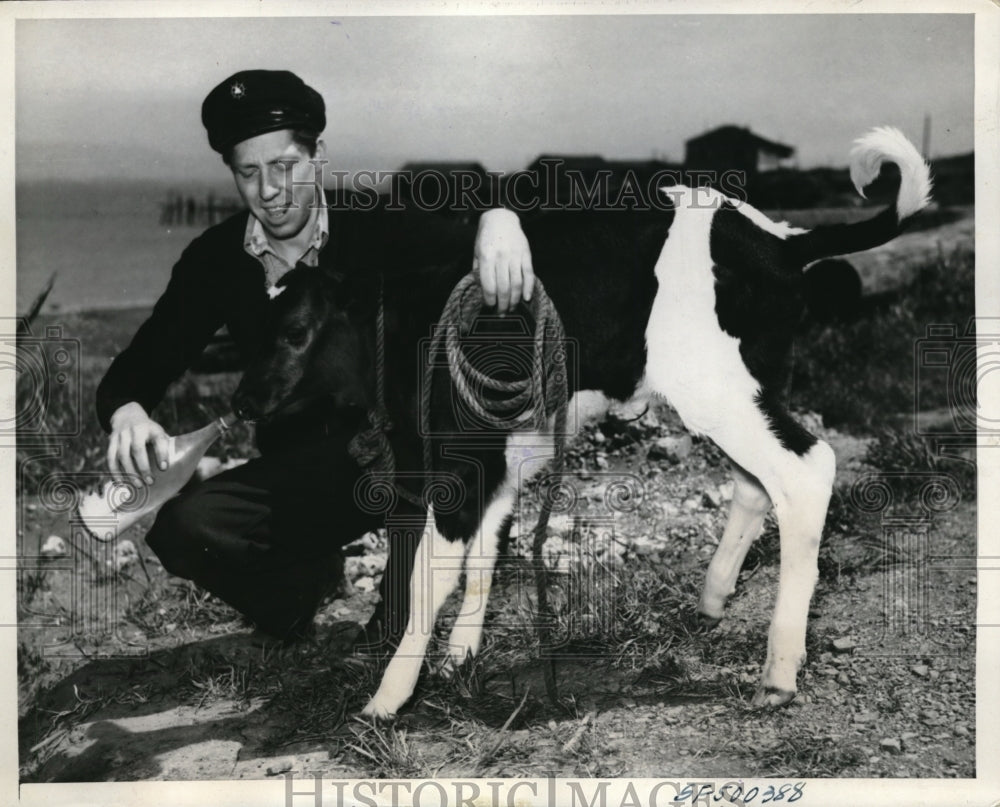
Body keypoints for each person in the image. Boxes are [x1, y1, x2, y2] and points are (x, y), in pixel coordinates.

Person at [96, 69, 534, 641]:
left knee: (395, 642)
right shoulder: (214, 261)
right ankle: (298, 594)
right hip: (303, 470)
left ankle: (406, 599)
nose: (269, 191)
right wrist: (127, 409)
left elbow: (467, 231)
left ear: (317, 155)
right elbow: (141, 365)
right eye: (248, 173)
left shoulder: (376, 225)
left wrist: (500, 221)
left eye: (284, 166)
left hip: (410, 461)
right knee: (183, 528)